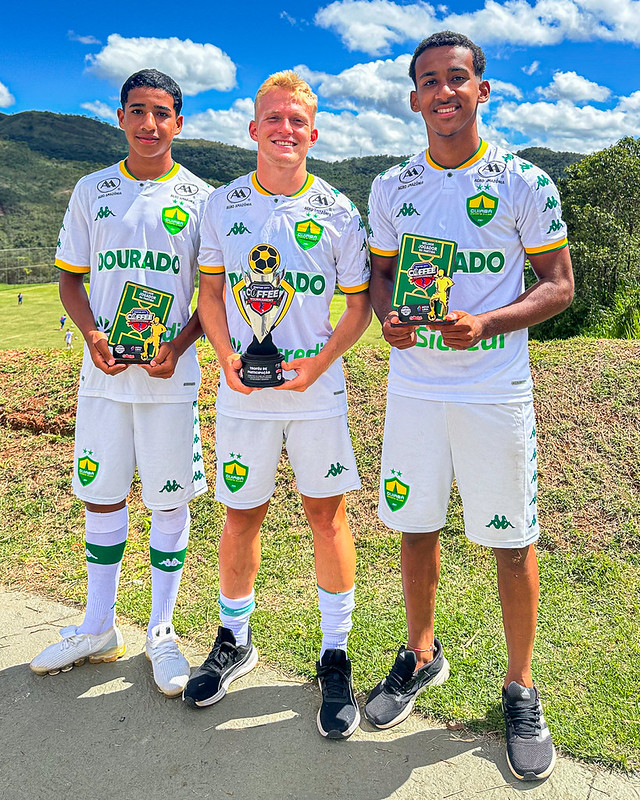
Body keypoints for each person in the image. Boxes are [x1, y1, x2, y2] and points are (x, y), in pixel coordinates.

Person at [364, 31, 573, 782]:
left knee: (512, 542)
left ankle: (521, 687)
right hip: (415, 388)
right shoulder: (391, 186)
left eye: (458, 78)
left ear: (482, 90)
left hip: (493, 389)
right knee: (415, 529)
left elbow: (559, 285)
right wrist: (389, 317)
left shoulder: (524, 180)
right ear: (414, 96)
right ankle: (421, 656)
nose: (443, 92)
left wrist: (487, 322)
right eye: (429, 81)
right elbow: (381, 278)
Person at [187, 70, 371, 739]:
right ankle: (235, 640)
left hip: (316, 393)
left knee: (327, 516)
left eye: (297, 120)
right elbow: (211, 294)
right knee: (241, 516)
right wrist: (225, 358)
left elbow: (358, 309)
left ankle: (335, 655)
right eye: (274, 118)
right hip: (243, 391)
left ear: (313, 132)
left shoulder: (340, 210)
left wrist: (315, 367)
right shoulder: (222, 204)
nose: (285, 130)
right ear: (253, 128)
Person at [29, 69, 210, 698]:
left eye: (162, 113)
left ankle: (161, 630)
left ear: (178, 123)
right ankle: (98, 624)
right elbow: (71, 280)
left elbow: (208, 298)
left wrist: (179, 345)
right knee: (102, 497)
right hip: (104, 378)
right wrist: (92, 335)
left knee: (168, 499)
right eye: (137, 111)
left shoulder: (201, 198)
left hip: (169, 378)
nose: (149, 123)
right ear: (120, 116)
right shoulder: (91, 189)